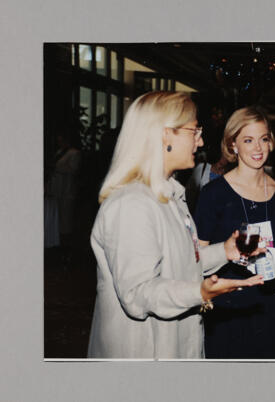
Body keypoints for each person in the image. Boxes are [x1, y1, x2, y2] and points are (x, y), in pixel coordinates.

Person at [87, 92, 264, 359]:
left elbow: (179, 261)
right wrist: (199, 291)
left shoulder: (169, 196)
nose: (201, 141)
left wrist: (225, 251)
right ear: (165, 135)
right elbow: (137, 294)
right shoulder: (132, 204)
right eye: (194, 131)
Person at [194, 106, 275, 359]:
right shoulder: (213, 195)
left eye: (263, 139)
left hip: (269, 311)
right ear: (233, 145)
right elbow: (196, 259)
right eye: (248, 140)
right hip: (225, 310)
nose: (257, 148)